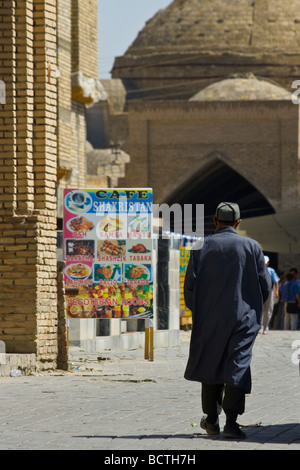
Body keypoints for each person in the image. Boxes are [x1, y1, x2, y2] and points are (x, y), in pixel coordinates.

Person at [184, 202, 271, 439]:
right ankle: (231, 423)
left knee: (211, 363)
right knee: (238, 364)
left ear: (215, 221)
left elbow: (189, 286)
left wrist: (200, 311)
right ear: (239, 222)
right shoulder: (252, 246)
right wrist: (251, 309)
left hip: (210, 318)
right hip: (243, 318)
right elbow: (265, 285)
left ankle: (211, 419)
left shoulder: (201, 245)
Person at [260, 256, 279, 334]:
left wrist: (276, 291)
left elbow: (276, 281)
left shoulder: (271, 271)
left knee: (268, 310)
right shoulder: (259, 269)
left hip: (269, 292)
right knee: (260, 309)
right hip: (260, 292)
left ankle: (266, 326)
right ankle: (260, 327)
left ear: (268, 263)